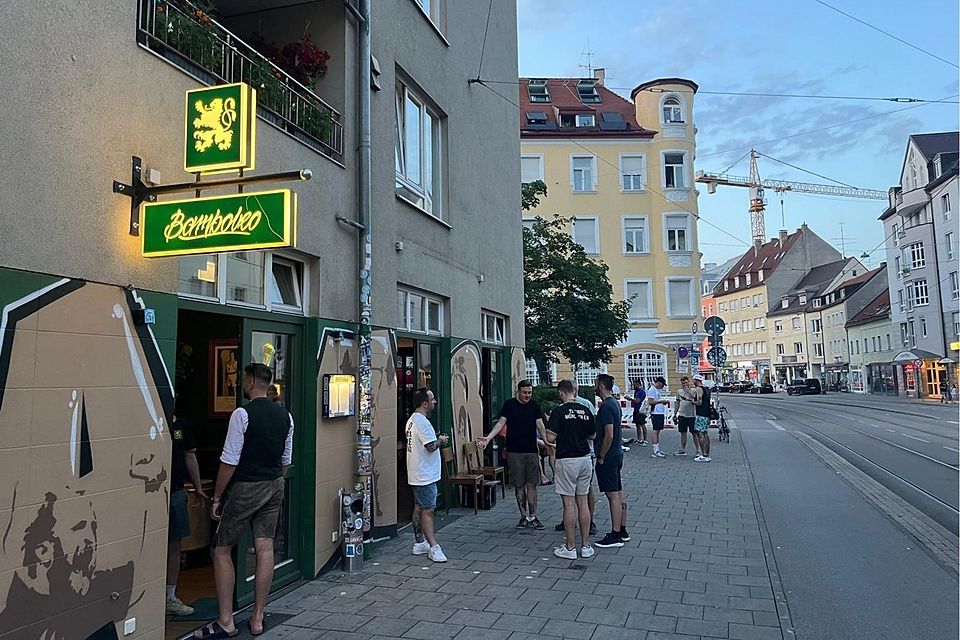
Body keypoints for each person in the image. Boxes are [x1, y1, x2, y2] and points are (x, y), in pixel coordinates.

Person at [197, 363, 294, 639]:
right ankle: (258, 617)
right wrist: (274, 480)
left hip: (247, 485)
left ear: (251, 382)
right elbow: (286, 460)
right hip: (275, 484)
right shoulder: (286, 416)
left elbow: (230, 460)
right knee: (265, 547)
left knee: (221, 548)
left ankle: (226, 620)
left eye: (244, 380)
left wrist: (217, 496)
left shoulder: (242, 414)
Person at [478, 380, 552, 530]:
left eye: (530, 392)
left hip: (531, 450)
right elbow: (500, 423)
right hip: (514, 451)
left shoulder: (534, 406)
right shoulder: (509, 405)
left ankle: (533, 515)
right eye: (524, 392)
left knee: (532, 484)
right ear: (518, 391)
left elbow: (540, 426)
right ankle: (523, 516)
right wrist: (489, 437)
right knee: (519, 485)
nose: (527, 395)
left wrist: (547, 442)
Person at [547, 380, 597, 559]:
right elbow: (593, 434)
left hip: (566, 459)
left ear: (561, 393)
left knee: (568, 504)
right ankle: (586, 545)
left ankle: (569, 547)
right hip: (585, 459)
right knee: (583, 502)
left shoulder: (559, 411)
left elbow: (550, 437)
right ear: (574, 391)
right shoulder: (585, 410)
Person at [166, 405, 207, 616]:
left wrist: (198, 488)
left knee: (175, 543)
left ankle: (169, 597)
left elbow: (190, 456)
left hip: (175, 490)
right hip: (150, 492)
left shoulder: (181, 426)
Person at [405, 387, 449, 563]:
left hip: (417, 471)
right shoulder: (422, 422)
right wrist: (441, 440)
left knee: (419, 506)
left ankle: (419, 543)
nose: (435, 402)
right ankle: (433, 546)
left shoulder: (412, 420)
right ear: (425, 403)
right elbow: (430, 446)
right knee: (428, 510)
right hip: (425, 473)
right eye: (433, 399)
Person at [593, 374, 628, 548]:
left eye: (595, 383)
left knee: (612, 494)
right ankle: (622, 529)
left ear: (600, 385)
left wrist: (601, 455)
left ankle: (615, 535)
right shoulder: (614, 403)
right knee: (618, 491)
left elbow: (609, 434)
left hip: (609, 455)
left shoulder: (606, 407)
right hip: (617, 453)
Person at [672, 376, 700, 457]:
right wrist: (675, 414)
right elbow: (677, 403)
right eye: (683, 383)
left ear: (689, 382)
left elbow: (696, 399)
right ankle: (682, 449)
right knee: (683, 433)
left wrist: (688, 391)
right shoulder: (679, 391)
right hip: (682, 415)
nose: (684, 384)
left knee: (695, 433)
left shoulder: (694, 390)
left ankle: (698, 450)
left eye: (686, 382)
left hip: (692, 415)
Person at [646, 377, 671, 458]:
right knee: (655, 431)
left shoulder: (655, 390)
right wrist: (661, 401)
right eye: (662, 385)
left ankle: (657, 449)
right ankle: (655, 451)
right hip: (656, 413)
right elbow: (650, 402)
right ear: (659, 382)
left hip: (659, 412)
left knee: (658, 431)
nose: (663, 387)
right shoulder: (652, 390)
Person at [692, 375, 712, 462]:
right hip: (707, 414)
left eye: (694, 380)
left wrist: (694, 402)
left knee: (700, 434)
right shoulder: (707, 389)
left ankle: (704, 455)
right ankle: (707, 453)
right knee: (705, 434)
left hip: (701, 414)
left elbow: (699, 402)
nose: (693, 382)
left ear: (696, 380)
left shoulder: (699, 389)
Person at [629, 378, 648, 446]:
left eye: (634, 384)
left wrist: (630, 399)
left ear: (638, 384)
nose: (633, 386)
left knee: (642, 424)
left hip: (641, 410)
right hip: (636, 409)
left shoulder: (641, 391)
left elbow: (637, 401)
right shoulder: (636, 391)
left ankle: (645, 439)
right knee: (637, 424)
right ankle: (639, 439)